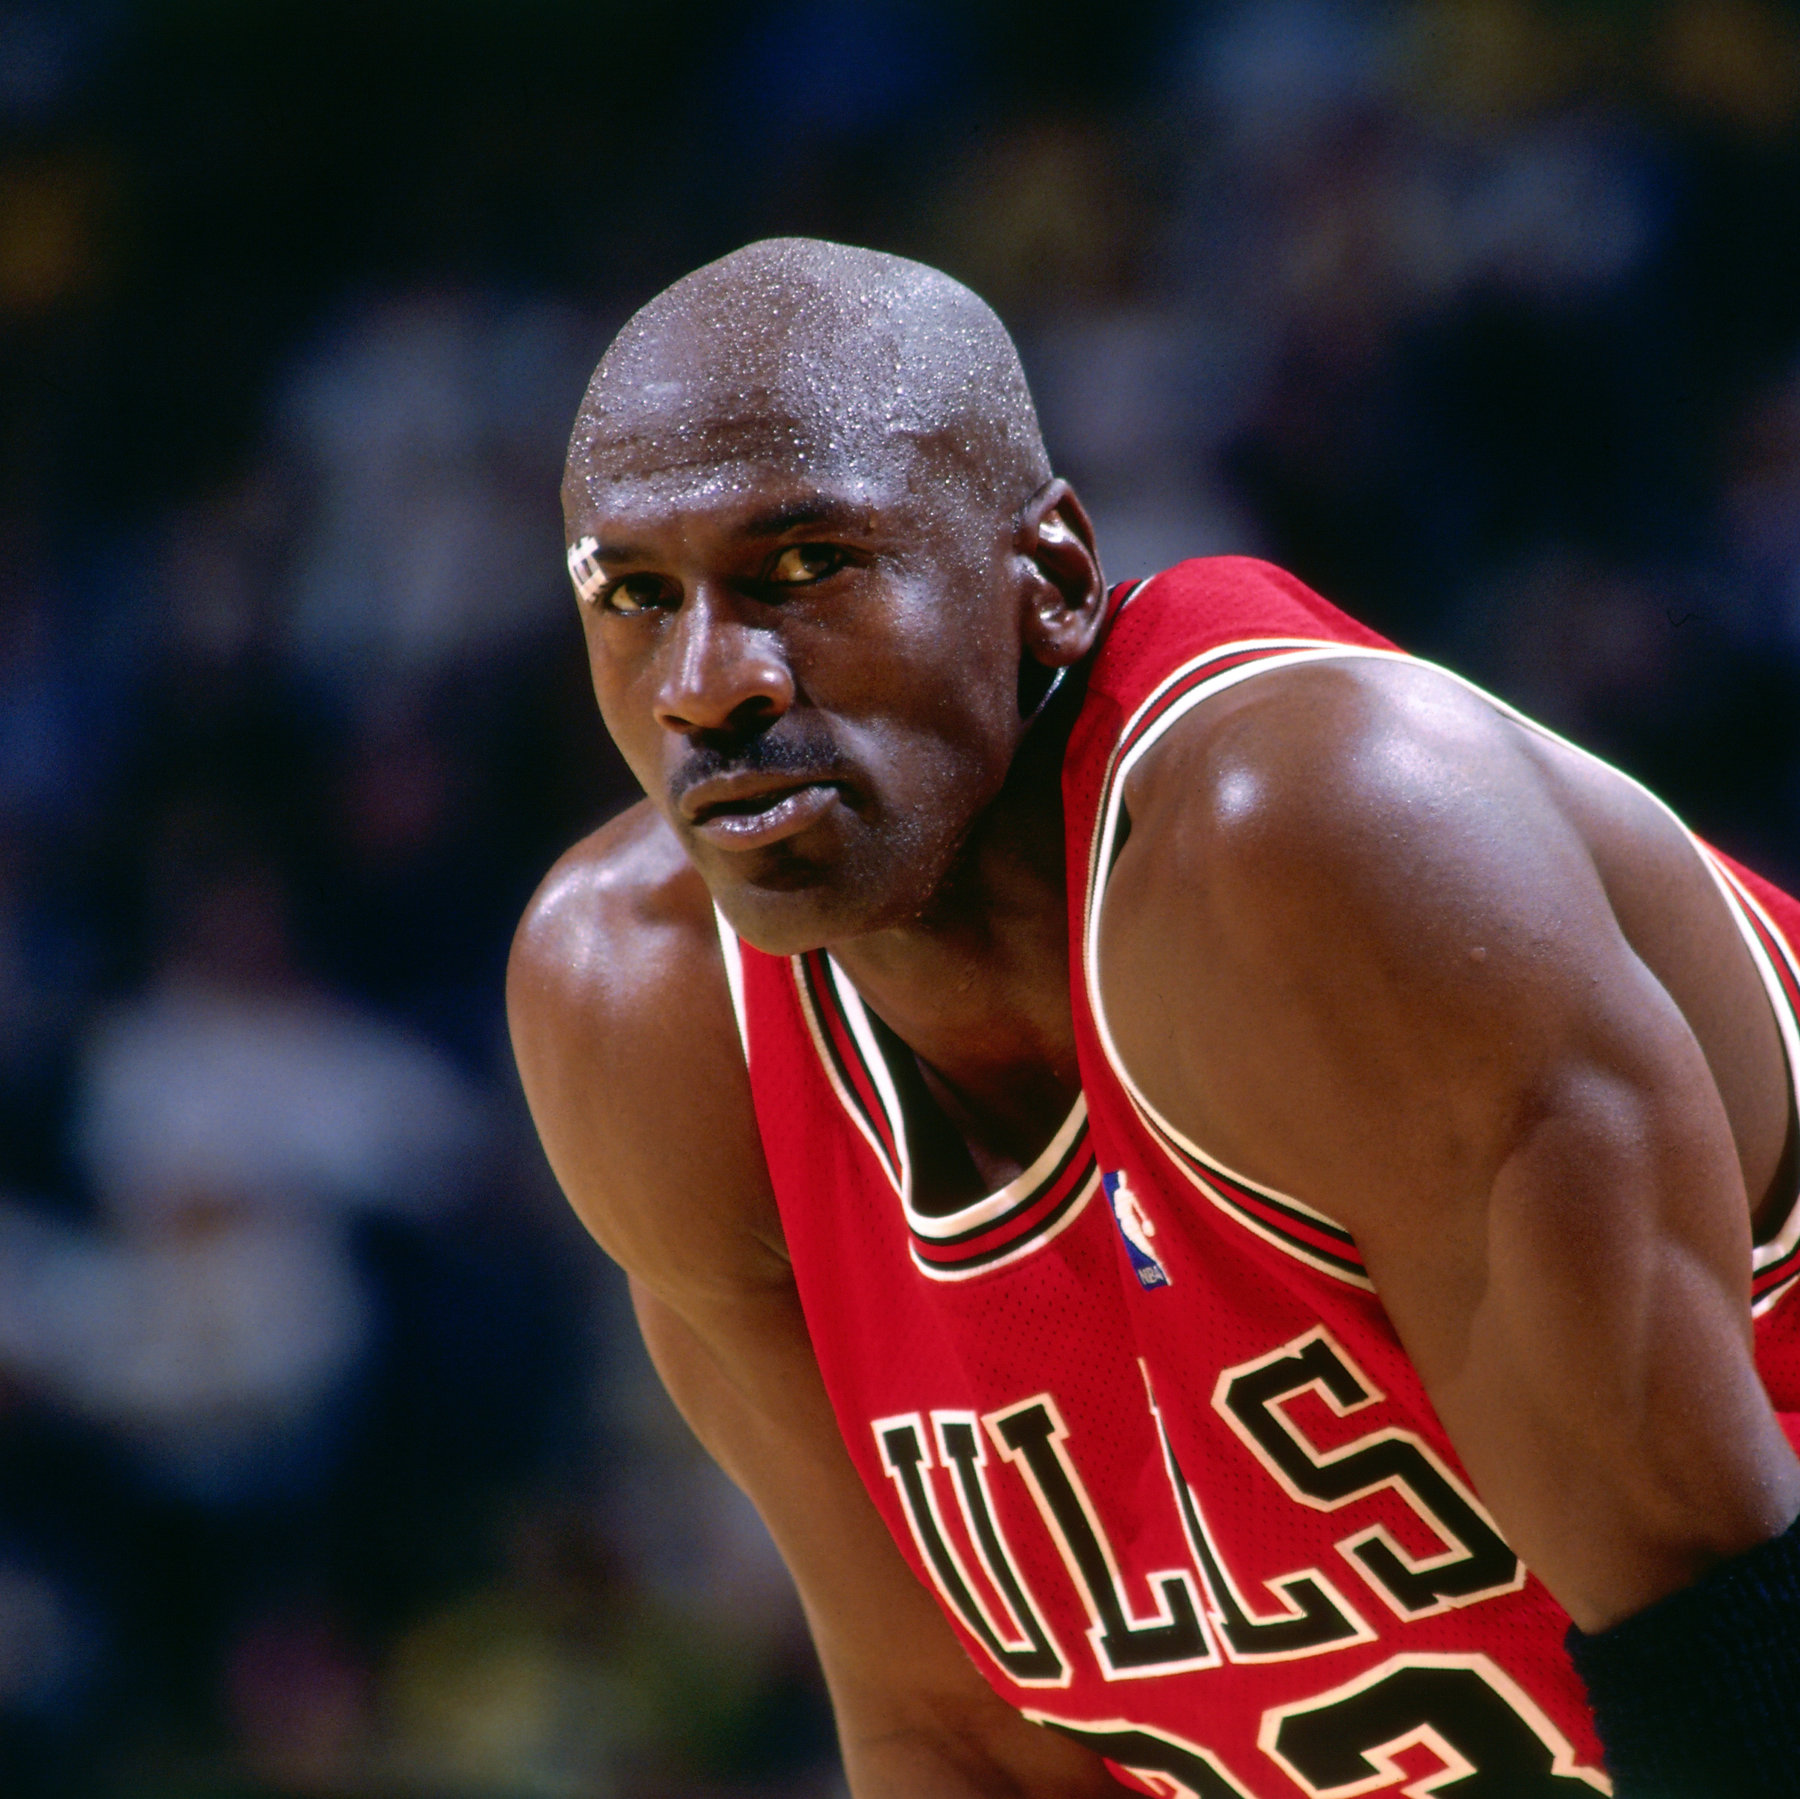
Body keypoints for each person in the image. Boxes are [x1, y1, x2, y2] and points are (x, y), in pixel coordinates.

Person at [508, 238, 1800, 1798]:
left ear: (1050, 581)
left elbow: (1724, 1646)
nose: (706, 682)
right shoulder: (643, 1007)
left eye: (807, 565)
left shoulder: (1313, 842)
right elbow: (960, 1738)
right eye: (637, 598)